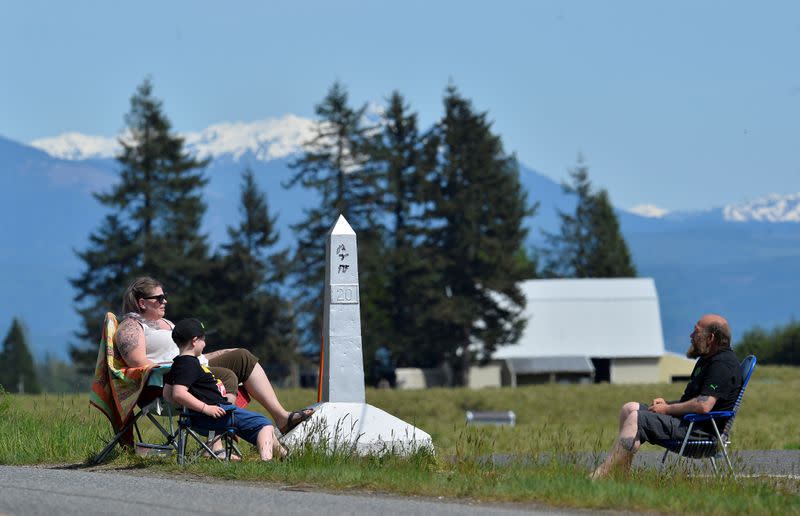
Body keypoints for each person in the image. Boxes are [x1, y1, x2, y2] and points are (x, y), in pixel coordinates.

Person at [115, 276, 313, 435]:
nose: (164, 301)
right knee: (226, 376)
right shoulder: (132, 326)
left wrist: (221, 352)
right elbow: (137, 362)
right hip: (170, 380)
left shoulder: (166, 323)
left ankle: (281, 418)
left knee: (242, 356)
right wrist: (180, 369)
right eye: (159, 298)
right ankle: (221, 435)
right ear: (142, 303)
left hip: (193, 364)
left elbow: (189, 350)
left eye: (164, 296)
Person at [591, 313, 743, 479]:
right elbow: (692, 402)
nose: (691, 336)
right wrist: (667, 405)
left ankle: (600, 475)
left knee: (637, 418)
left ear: (711, 338)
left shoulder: (722, 365)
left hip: (700, 433)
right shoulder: (707, 360)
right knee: (629, 408)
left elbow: (703, 406)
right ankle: (622, 476)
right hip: (689, 423)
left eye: (696, 332)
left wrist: (667, 409)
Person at [164, 318, 281, 461]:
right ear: (195, 341)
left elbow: (167, 395)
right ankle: (267, 464)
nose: (205, 344)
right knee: (265, 424)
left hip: (196, 419)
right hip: (216, 416)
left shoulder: (176, 365)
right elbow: (178, 393)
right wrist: (205, 408)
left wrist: (188, 410)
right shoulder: (190, 364)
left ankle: (286, 458)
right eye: (203, 339)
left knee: (259, 428)